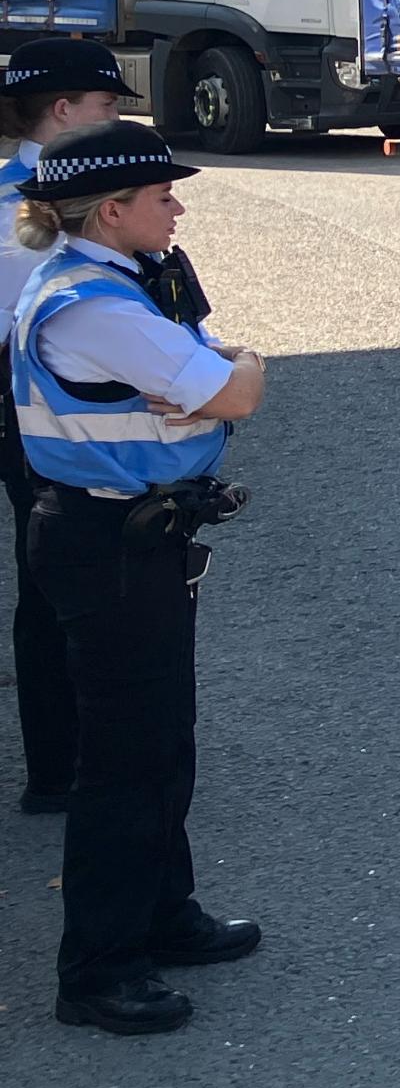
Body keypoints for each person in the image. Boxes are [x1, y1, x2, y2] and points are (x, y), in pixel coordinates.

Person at [13, 125, 269, 1035]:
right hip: (108, 541)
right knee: (126, 760)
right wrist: (239, 369)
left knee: (162, 741)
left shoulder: (115, 284)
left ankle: (164, 912)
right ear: (111, 211)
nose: (179, 207)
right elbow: (235, 390)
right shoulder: (97, 309)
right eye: (164, 196)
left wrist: (215, 369)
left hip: (129, 535)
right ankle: (98, 966)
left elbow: (207, 369)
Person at [0, 37, 133, 818]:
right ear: (63, 110)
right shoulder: (24, 207)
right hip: (42, 414)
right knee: (58, 581)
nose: (115, 115)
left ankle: (80, 749)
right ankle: (63, 764)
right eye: (107, 105)